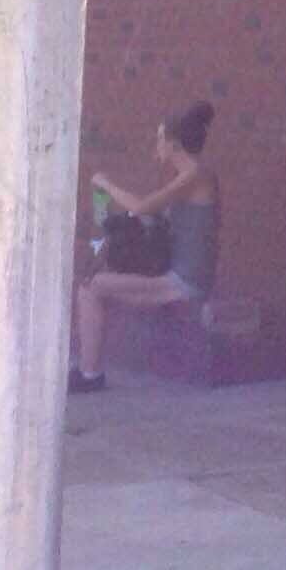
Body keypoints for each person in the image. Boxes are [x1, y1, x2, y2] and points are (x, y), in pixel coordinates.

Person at [70, 101, 220, 395]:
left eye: (160, 138)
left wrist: (105, 184)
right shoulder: (187, 177)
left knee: (91, 288)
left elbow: (141, 206)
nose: (157, 144)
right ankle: (90, 371)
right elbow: (149, 214)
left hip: (184, 282)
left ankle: (90, 375)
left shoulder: (195, 176)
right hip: (178, 275)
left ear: (174, 145)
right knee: (98, 280)